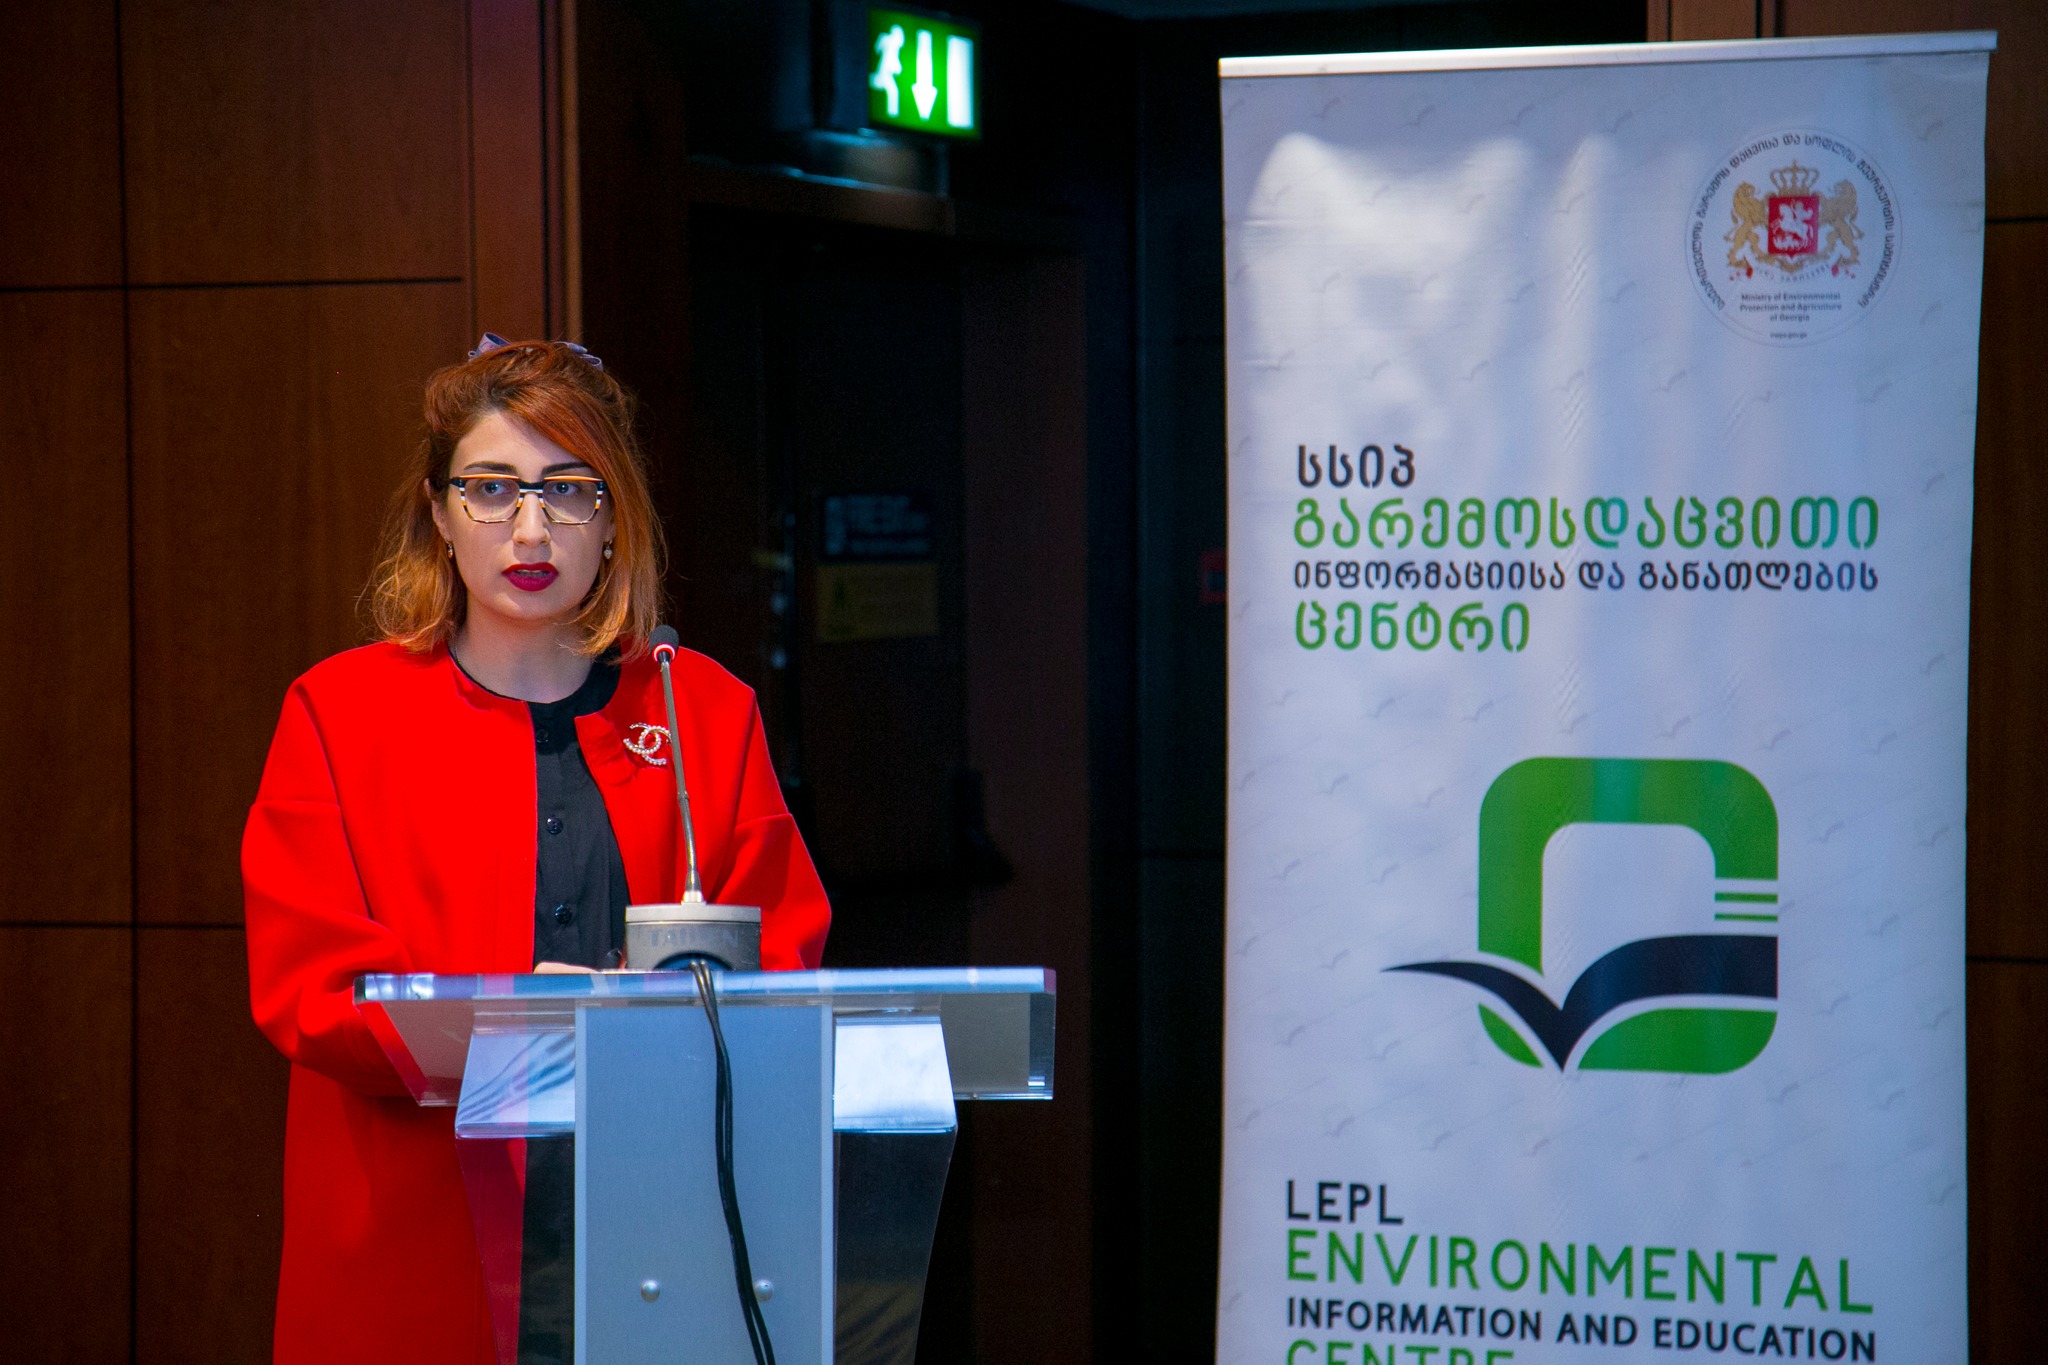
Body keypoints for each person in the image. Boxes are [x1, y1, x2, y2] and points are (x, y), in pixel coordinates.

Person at [242, 336, 830, 1364]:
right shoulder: (339, 713)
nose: (530, 527)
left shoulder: (702, 710)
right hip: (415, 1238)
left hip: (660, 1219)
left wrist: (645, 1025)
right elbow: (311, 990)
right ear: (437, 513)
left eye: (569, 490)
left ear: (614, 519)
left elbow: (779, 951)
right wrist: (518, 1017)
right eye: (489, 488)